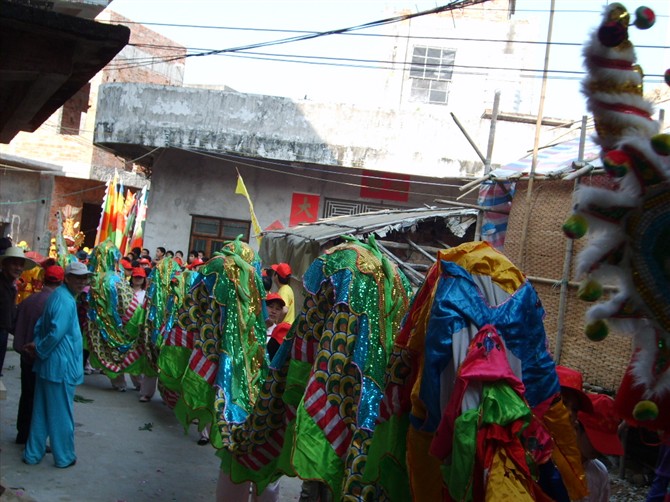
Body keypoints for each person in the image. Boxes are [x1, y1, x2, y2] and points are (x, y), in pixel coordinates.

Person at [22, 261, 91, 468]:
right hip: (60, 367)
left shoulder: (59, 296)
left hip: (50, 365)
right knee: (61, 415)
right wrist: (40, 349)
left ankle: (33, 454)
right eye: (78, 278)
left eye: (84, 278)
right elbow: (55, 333)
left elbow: (41, 327)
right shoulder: (66, 301)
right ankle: (64, 457)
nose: (82, 282)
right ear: (67, 278)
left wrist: (38, 346)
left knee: (41, 413)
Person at [13, 263, 64, 444]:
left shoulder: (29, 300)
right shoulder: (56, 304)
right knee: (40, 399)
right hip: (43, 358)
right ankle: (34, 438)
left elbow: (14, 324)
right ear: (61, 282)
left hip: (25, 355)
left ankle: (23, 433)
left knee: (27, 394)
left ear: (43, 279)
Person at [575, 393, 624, 502]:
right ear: (576, 427)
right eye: (596, 440)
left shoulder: (600, 473)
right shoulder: (552, 468)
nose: (600, 449)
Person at [0, 246, 37, 376]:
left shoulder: (11, 286)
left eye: (21, 265)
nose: (18, 268)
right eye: (14, 264)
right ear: (5, 265)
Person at [264, 293, 290, 361]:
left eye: (277, 309)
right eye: (271, 307)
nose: (273, 311)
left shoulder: (279, 333)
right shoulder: (254, 328)